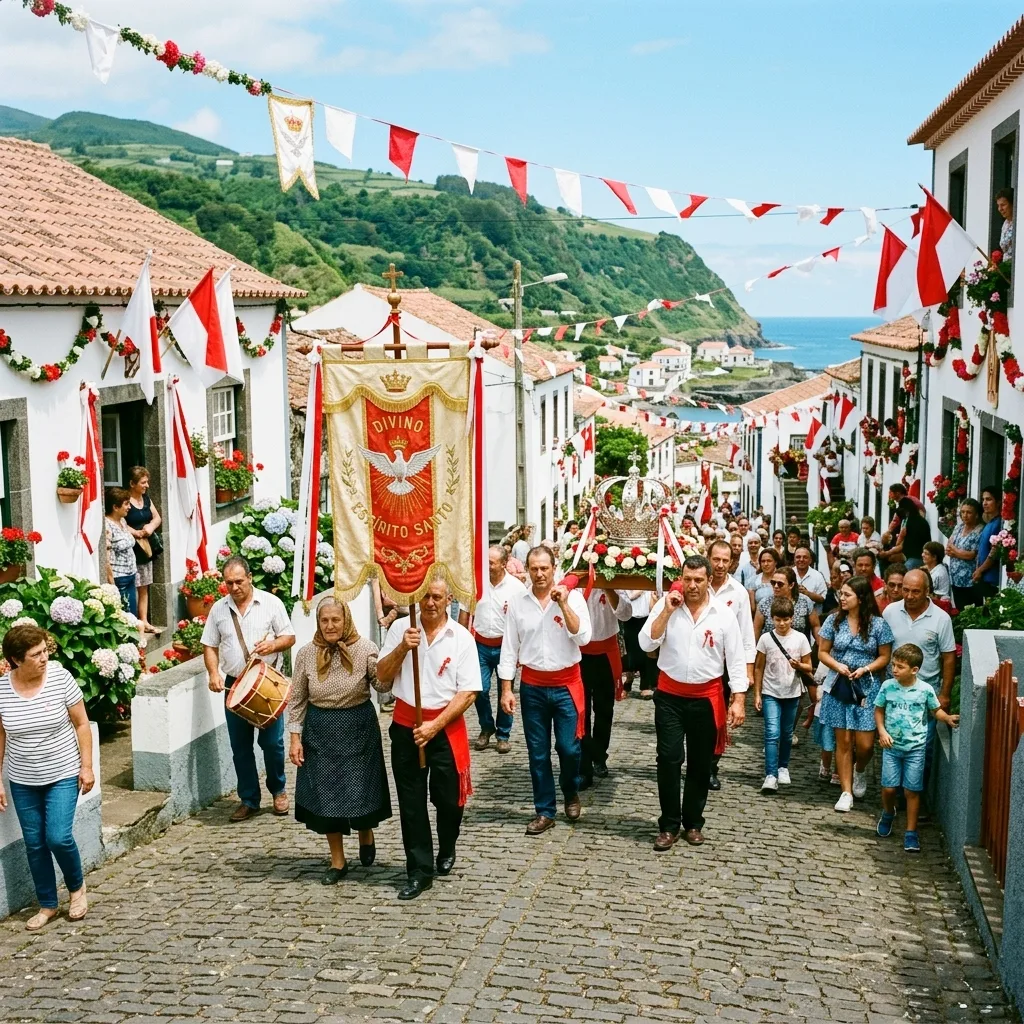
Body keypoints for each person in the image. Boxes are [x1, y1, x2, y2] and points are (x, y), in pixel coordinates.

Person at [377, 578, 478, 900]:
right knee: (411, 803)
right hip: (406, 727)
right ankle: (419, 871)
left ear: (449, 599)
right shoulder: (401, 629)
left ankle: (447, 844)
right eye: (425, 597)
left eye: (436, 597)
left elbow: (468, 692)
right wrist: (402, 648)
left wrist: (435, 726)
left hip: (445, 727)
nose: (430, 603)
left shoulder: (461, 637)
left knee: (448, 800)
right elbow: (382, 676)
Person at [640, 555, 747, 851]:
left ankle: (693, 822)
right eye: (687, 579)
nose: (692, 585)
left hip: (706, 698)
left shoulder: (723, 615)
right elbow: (646, 643)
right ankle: (669, 824)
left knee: (700, 763)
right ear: (681, 578)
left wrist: (738, 699)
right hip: (670, 697)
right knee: (669, 758)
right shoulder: (668, 606)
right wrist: (666, 611)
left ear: (709, 580)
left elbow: (736, 659)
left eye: (699, 580)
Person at [288, 599, 391, 885]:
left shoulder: (365, 648)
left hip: (358, 728)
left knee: (361, 788)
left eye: (336, 619)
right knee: (326, 796)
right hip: (320, 731)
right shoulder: (307, 653)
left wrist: (392, 661)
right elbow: (297, 699)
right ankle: (337, 861)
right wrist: (295, 738)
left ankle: (365, 831)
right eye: (325, 620)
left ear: (346, 620)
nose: (330, 626)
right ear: (318, 623)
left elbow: (382, 686)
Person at [0, 625, 93, 931]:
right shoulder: (2, 690)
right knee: (35, 844)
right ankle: (48, 904)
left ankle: (77, 889)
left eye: (45, 651)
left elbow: (81, 724)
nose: (44, 658)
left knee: (58, 837)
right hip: (23, 779)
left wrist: (87, 766)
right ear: (16, 660)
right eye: (36, 654)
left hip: (62, 772)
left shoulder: (60, 678)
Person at [499, 545, 592, 835]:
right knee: (537, 753)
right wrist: (506, 689)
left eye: (544, 568)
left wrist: (563, 604)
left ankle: (570, 790)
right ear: (527, 570)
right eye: (534, 569)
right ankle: (545, 810)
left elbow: (584, 638)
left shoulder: (573, 598)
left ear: (554, 568)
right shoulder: (518, 602)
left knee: (568, 748)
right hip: (533, 687)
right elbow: (509, 648)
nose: (539, 574)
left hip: (566, 685)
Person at [202, 555, 296, 822]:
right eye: (228, 583)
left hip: (265, 681)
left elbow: (289, 636)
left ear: (250, 577)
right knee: (240, 747)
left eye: (239, 582)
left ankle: (278, 790)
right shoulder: (218, 609)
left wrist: (273, 645)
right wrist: (213, 673)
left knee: (272, 744)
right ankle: (249, 799)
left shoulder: (271, 603)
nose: (234, 587)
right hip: (234, 683)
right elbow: (209, 645)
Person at [817, 576, 894, 812]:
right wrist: (837, 666)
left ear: (860, 598)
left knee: (865, 744)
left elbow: (885, 656)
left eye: (847, 594)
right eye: (841, 594)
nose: (842, 598)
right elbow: (822, 652)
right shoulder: (833, 620)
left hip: (867, 687)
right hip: (839, 685)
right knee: (843, 741)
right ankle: (846, 792)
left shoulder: (878, 625)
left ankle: (860, 769)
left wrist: (866, 668)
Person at [875, 643, 960, 853]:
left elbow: (935, 710)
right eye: (893, 665)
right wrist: (882, 732)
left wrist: (947, 718)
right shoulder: (887, 687)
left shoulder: (925, 690)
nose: (895, 670)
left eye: (900, 666)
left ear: (914, 670)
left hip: (916, 748)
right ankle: (888, 813)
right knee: (889, 788)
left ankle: (911, 832)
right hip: (892, 746)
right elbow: (879, 710)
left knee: (912, 790)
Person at [707, 540, 756, 791]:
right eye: (716, 559)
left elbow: (746, 635)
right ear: (708, 558)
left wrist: (747, 672)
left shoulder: (738, 592)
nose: (720, 565)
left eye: (725, 560)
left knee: (717, 719)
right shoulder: (696, 585)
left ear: (732, 562)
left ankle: (711, 766)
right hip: (701, 660)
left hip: (726, 663)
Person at [467, 546, 525, 753]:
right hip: (480, 646)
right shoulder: (476, 583)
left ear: (503, 564)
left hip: (505, 647)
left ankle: (503, 734)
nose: (487, 566)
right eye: (486, 562)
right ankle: (486, 727)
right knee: (480, 689)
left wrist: (520, 649)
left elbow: (524, 619)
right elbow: (465, 611)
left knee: (505, 691)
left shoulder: (517, 588)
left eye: (491, 563)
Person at [754, 597, 813, 793]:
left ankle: (783, 766)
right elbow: (759, 667)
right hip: (770, 691)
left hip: (792, 692)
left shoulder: (800, 638)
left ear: (792, 618)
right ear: (772, 619)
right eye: (778, 620)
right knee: (772, 732)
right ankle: (770, 775)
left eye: (786, 619)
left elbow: (809, 666)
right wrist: (757, 693)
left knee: (787, 733)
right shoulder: (766, 639)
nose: (781, 624)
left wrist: (799, 665)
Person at [579, 587, 632, 789]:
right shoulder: (573, 576)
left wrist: (609, 589)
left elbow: (626, 614)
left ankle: (600, 755)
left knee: (604, 710)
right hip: (579, 653)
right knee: (580, 711)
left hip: (606, 653)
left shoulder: (614, 580)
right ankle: (584, 762)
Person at [124, 466, 162, 634]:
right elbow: (118, 520)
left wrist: (150, 527)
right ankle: (134, 621)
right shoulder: (125, 500)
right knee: (134, 585)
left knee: (144, 585)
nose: (147, 485)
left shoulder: (146, 499)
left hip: (146, 548)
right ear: (132, 484)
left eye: (147, 482)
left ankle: (144, 620)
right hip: (132, 549)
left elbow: (157, 517)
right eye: (143, 482)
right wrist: (135, 532)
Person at [752, 565, 820, 642]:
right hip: (771, 646)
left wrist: (820, 644)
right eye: (773, 583)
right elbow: (756, 630)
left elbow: (815, 626)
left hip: (798, 646)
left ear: (791, 585)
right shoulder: (764, 603)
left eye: (780, 584)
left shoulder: (805, 601)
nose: (776, 586)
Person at [104, 487, 138, 617]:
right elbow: (106, 557)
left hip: (131, 574)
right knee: (126, 617)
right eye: (126, 504)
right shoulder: (107, 525)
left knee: (132, 614)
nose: (129, 507)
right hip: (119, 577)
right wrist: (112, 583)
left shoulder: (122, 521)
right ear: (115, 507)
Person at [946, 498, 984, 608]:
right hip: (955, 579)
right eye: (963, 512)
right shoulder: (959, 527)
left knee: (971, 610)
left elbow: (971, 555)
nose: (965, 515)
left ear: (976, 514)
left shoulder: (979, 530)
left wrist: (955, 551)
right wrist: (958, 552)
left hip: (970, 580)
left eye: (969, 512)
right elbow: (948, 547)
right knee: (959, 608)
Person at [623, 588, 657, 698]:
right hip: (628, 616)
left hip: (646, 615)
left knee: (645, 651)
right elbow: (628, 596)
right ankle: (627, 683)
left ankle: (645, 685)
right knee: (629, 651)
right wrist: (642, 589)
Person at [973, 486, 1003, 603]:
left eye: (989, 499)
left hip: (991, 578)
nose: (984, 503)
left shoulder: (998, 524)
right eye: (983, 499)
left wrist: (980, 570)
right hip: (984, 577)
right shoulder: (990, 523)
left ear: (998, 502)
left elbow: (993, 553)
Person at [887, 497, 931, 569]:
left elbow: (902, 545)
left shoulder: (912, 522)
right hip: (916, 556)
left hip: (916, 557)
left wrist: (886, 553)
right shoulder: (918, 520)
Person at [793, 546, 828, 614]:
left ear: (810, 560)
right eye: (798, 557)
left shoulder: (818, 576)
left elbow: (822, 599)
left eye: (805, 557)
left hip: (813, 615)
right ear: (794, 559)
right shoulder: (788, 573)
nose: (801, 559)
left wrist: (807, 593)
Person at [996, 186, 1014, 260]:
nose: (1000, 209)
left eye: (1003, 205)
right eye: (998, 205)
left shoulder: (1018, 223)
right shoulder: (1005, 224)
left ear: (1012, 204)